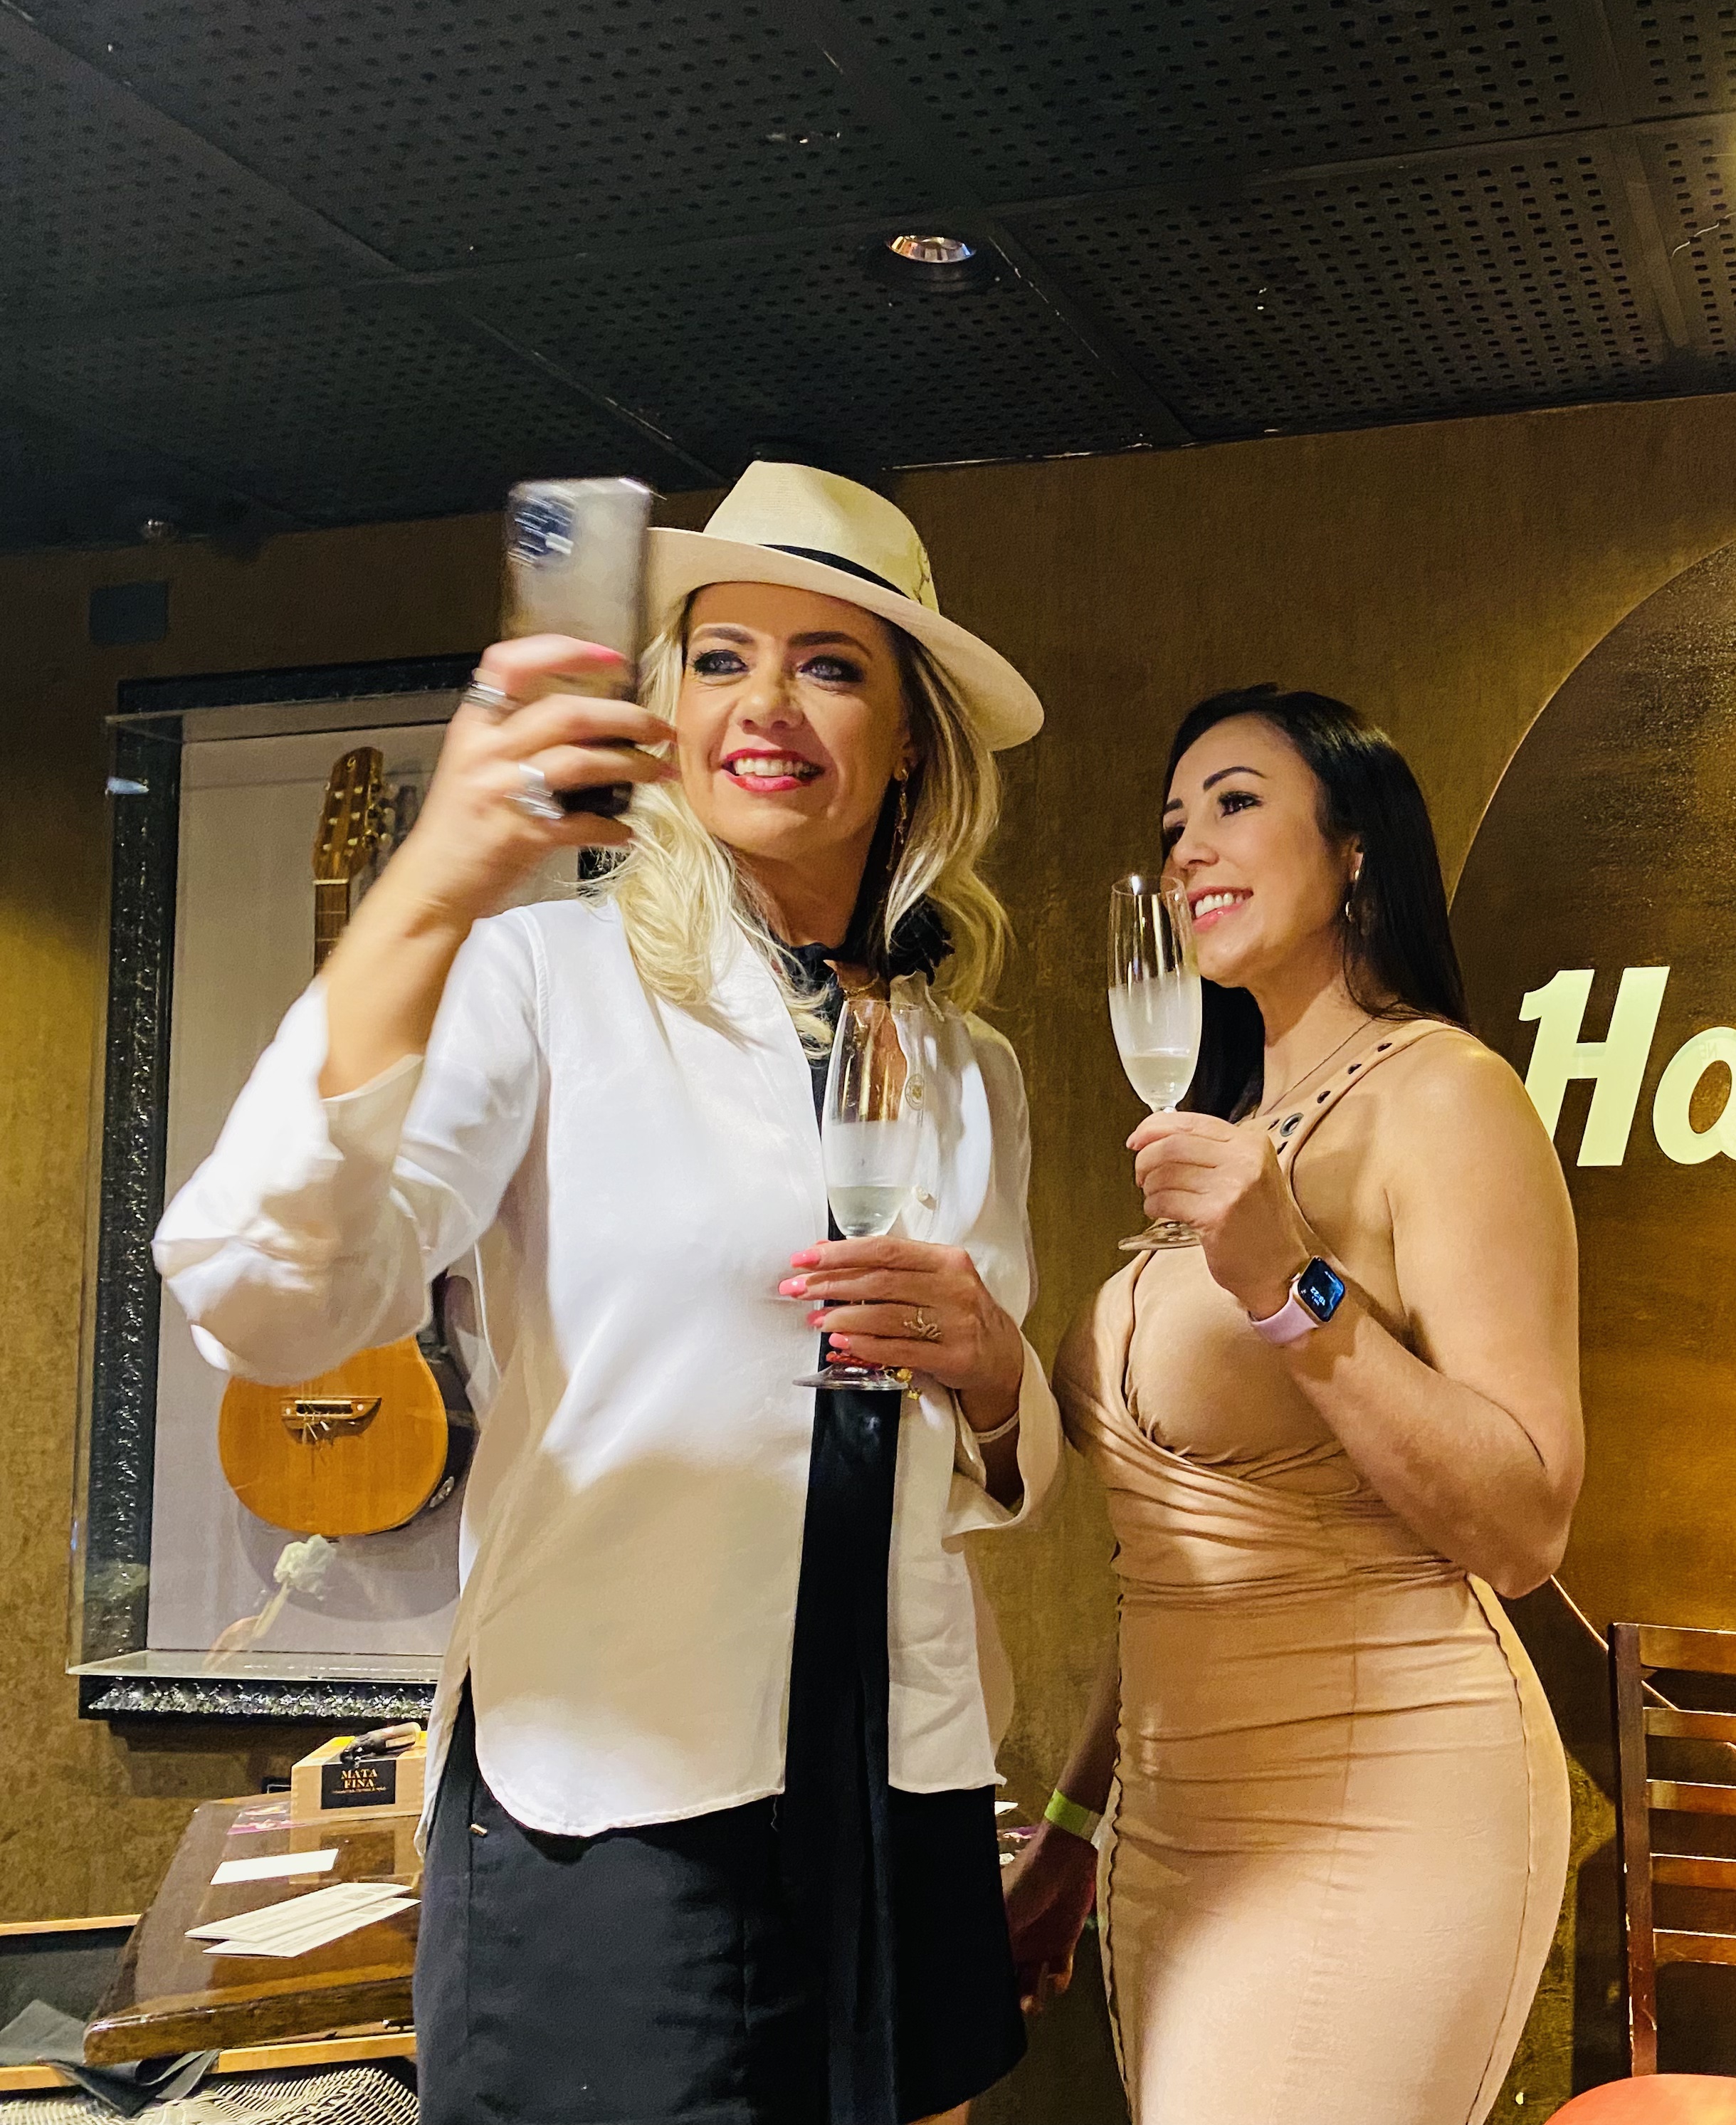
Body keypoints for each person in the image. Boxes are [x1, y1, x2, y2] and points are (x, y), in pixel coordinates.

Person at [155, 463, 1058, 2125]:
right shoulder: (542, 979)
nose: (766, 704)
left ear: (910, 742)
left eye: (830, 665)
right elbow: (271, 1298)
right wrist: (433, 885)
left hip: (902, 1781)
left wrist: (1000, 1379)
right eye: (720, 659)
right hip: (616, 1802)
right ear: (667, 712)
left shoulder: (967, 1067)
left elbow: (994, 1469)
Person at [1005, 686, 1584, 2124]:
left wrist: (1288, 1286)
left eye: (1236, 803)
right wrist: (1075, 1825)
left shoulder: (1445, 1096)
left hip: (1377, 1799)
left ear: (1355, 847)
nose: (1189, 847)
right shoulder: (1233, 1126)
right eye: (1172, 825)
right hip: (1171, 1831)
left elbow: (1524, 1525)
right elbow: (1182, 1555)